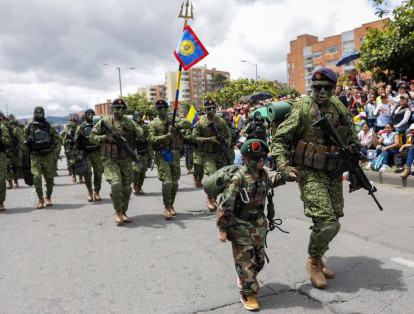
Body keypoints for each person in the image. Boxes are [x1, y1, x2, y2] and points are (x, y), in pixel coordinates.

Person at [272, 68, 359, 289]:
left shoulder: (339, 107)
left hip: (332, 171)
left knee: (335, 222)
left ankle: (318, 259)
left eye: (327, 88)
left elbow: (352, 134)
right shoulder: (302, 109)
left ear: (334, 88)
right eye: (317, 87)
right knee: (327, 222)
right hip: (308, 171)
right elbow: (280, 140)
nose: (321, 92)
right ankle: (313, 262)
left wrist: (355, 151)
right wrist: (283, 166)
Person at [217, 139, 296, 311]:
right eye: (255, 157)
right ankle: (248, 294)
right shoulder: (238, 179)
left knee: (259, 261)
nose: (260, 159)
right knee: (247, 264)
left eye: (262, 156)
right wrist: (223, 229)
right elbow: (225, 204)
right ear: (245, 159)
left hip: (259, 224)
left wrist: (284, 177)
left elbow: (272, 181)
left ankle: (244, 276)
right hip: (239, 225)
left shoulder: (263, 174)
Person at [90, 98, 144, 224]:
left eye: (122, 108)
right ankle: (117, 212)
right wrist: (107, 138)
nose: (119, 110)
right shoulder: (105, 121)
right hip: (110, 159)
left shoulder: (129, 123)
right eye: (117, 108)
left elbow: (141, 134)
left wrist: (143, 128)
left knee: (127, 189)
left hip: (126, 159)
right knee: (116, 184)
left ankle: (124, 211)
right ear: (112, 109)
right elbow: (92, 137)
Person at [149, 99, 188, 220]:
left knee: (175, 183)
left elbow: (187, 123)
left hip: (175, 153)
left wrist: (176, 126)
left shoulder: (174, 120)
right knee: (167, 182)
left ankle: (171, 204)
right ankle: (166, 207)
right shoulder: (153, 124)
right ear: (156, 110)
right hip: (162, 154)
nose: (162, 110)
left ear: (167, 109)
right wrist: (166, 136)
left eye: (164, 108)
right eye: (159, 108)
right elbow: (151, 139)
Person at [192, 99, 231, 211]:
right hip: (207, 153)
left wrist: (226, 142)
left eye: (213, 108)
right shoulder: (200, 122)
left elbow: (228, 134)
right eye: (209, 108)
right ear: (205, 109)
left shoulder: (221, 121)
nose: (211, 110)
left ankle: (215, 198)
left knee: (221, 177)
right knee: (212, 176)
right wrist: (209, 139)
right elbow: (194, 138)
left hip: (219, 152)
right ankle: (209, 199)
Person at [23, 107, 60, 209]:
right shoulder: (29, 127)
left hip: (47, 155)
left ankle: (48, 197)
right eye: (37, 112)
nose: (39, 114)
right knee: (36, 177)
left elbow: (57, 139)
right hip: (35, 155)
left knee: (49, 178)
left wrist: (52, 147)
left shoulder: (49, 126)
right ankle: (40, 198)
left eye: (41, 112)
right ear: (34, 113)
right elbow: (23, 141)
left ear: (44, 113)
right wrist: (28, 146)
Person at [75, 109, 103, 202]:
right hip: (85, 153)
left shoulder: (98, 125)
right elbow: (75, 141)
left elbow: (104, 136)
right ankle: (90, 191)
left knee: (98, 173)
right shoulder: (81, 126)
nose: (90, 116)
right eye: (89, 115)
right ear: (86, 115)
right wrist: (79, 136)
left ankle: (97, 192)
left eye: (92, 114)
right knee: (87, 173)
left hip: (96, 152)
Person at [131, 112, 151, 195]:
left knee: (143, 171)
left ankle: (139, 187)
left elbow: (149, 138)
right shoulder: (131, 127)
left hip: (144, 151)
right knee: (136, 170)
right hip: (135, 152)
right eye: (137, 117)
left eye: (140, 117)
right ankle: (134, 185)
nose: (138, 119)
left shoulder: (145, 126)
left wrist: (150, 154)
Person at [5, 119, 23, 189]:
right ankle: (10, 183)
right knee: (7, 167)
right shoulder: (2, 131)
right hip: (5, 152)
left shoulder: (14, 130)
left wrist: (20, 151)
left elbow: (20, 140)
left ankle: (15, 181)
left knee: (15, 167)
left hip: (14, 151)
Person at [0, 114, 12, 211]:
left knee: (1, 180)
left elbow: (8, 141)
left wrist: (1, 138)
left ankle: (1, 202)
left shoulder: (2, 127)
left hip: (0, 156)